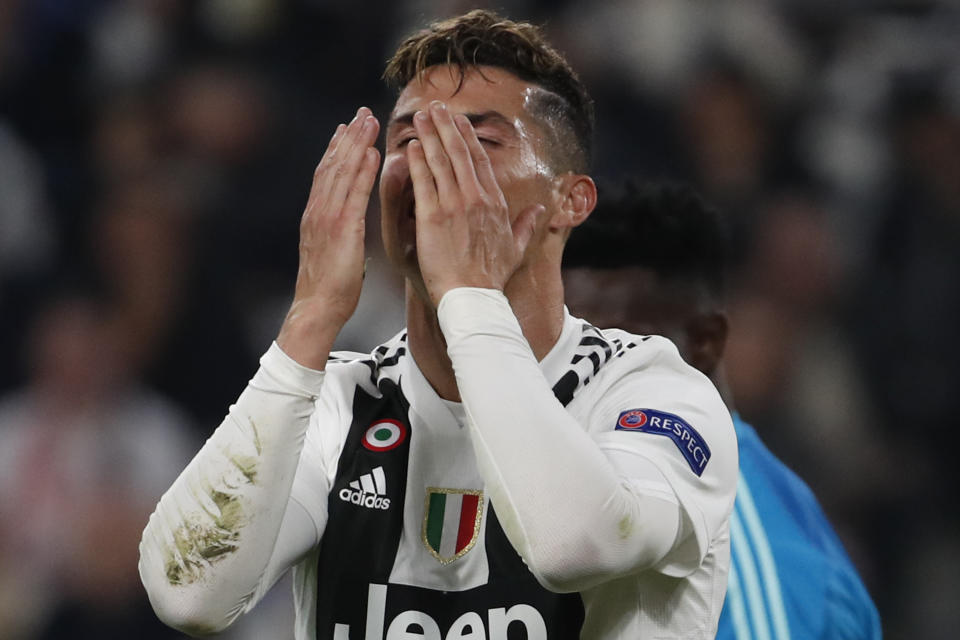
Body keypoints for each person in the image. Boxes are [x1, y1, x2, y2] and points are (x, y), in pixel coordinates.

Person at [138, 11, 737, 639]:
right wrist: (310, 318)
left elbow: (571, 546)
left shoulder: (655, 394)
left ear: (570, 199)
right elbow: (190, 596)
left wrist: (470, 293)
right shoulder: (340, 403)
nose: (432, 168)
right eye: (407, 142)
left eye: (478, 142)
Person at [563, 181, 882, 639]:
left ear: (704, 343)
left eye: (618, 349)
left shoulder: (753, 554)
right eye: (566, 349)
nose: (580, 376)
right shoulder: (598, 495)